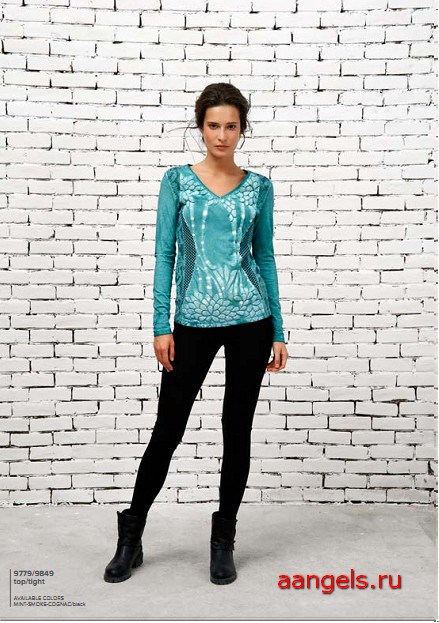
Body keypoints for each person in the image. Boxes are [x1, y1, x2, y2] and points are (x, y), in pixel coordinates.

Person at [104, 82, 289, 585]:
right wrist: (160, 326)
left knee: (237, 429)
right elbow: (165, 254)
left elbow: (265, 256)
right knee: (168, 428)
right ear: (200, 127)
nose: (222, 135)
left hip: (251, 320)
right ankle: (130, 537)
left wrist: (278, 328)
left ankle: (223, 541)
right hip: (193, 321)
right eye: (213, 125)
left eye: (231, 126)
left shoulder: (259, 187)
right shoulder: (177, 181)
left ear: (242, 129)